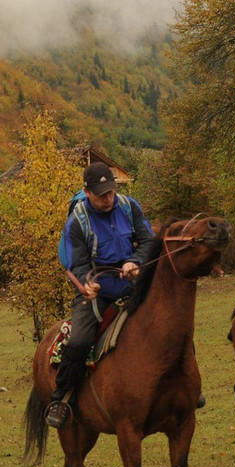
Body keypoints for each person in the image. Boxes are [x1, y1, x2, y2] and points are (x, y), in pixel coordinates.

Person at [45, 161, 156, 428]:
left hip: (134, 284)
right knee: (81, 339)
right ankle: (62, 397)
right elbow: (77, 264)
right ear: (87, 191)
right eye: (101, 194)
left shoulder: (129, 207)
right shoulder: (77, 222)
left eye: (111, 191)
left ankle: (185, 384)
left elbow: (150, 240)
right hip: (98, 293)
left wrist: (135, 261)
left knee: (169, 319)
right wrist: (88, 283)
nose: (108, 198)